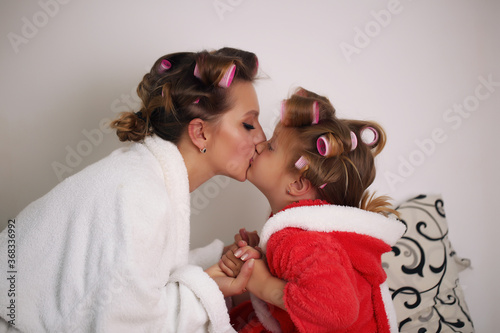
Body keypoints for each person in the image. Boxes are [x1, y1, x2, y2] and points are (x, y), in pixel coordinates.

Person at [0, 47, 266, 333]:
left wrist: (219, 260)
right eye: (249, 124)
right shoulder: (139, 196)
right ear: (200, 132)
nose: (262, 138)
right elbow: (126, 325)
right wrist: (209, 286)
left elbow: (139, 278)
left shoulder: (143, 178)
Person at [219, 88, 406, 332]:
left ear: (297, 184)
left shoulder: (297, 240)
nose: (259, 144)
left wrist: (264, 284)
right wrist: (261, 258)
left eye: (272, 147)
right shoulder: (306, 233)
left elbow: (339, 311)